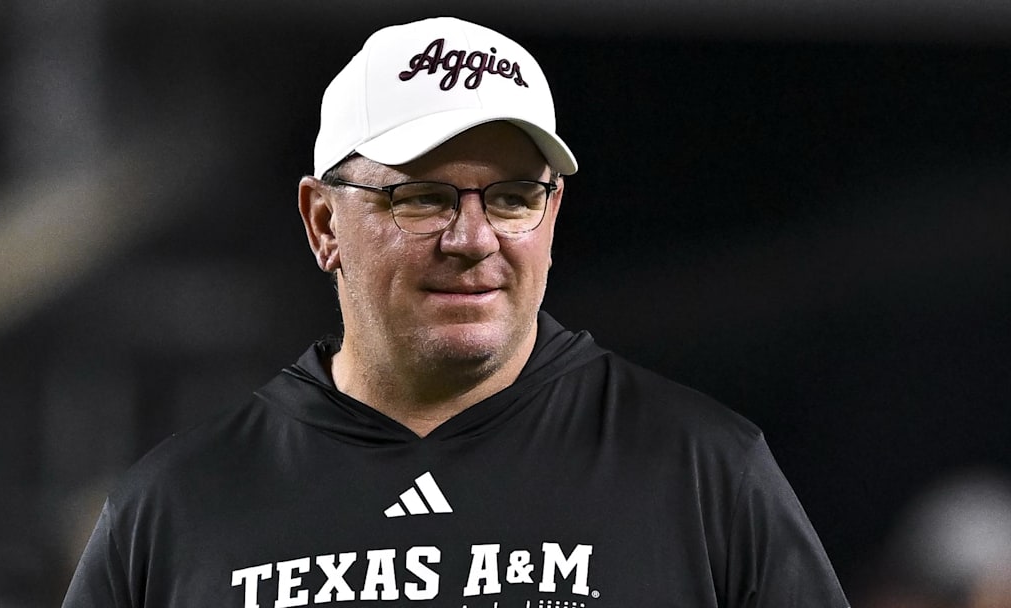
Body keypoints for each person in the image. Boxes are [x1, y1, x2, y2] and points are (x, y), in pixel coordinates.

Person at [62, 16, 850, 607]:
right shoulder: (175, 507)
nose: (473, 239)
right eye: (422, 197)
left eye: (512, 198)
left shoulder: (703, 473)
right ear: (323, 222)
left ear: (553, 213)